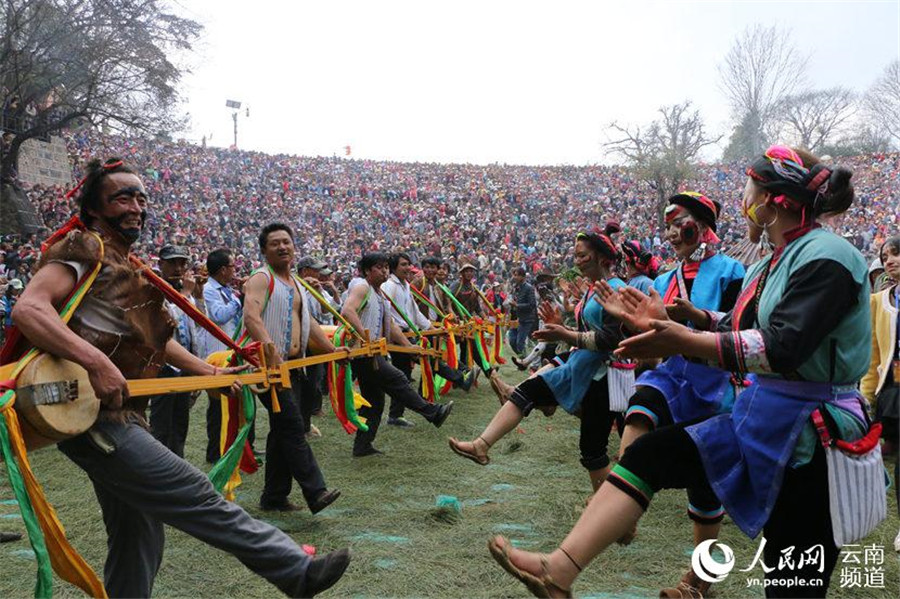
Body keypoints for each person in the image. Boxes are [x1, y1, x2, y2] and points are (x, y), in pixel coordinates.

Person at [488, 146, 874, 598]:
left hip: (812, 437)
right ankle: (559, 571)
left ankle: (696, 580)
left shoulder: (827, 255)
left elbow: (782, 347)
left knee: (792, 583)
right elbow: (740, 325)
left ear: (771, 200)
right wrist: (678, 322)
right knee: (647, 454)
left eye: (748, 190)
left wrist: (681, 337)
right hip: (761, 415)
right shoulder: (771, 263)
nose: (743, 201)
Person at [11, 159, 350, 598]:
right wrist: (96, 362)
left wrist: (210, 372)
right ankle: (294, 571)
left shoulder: (126, 265)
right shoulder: (83, 248)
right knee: (195, 492)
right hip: (95, 417)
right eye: (121, 197)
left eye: (140, 197)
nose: (135, 206)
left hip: (126, 413)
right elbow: (30, 308)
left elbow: (156, 344)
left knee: (138, 535)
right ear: (94, 208)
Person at [594, 192, 746, 587]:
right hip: (671, 374)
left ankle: (699, 581)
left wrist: (697, 318)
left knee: (705, 485)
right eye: (667, 227)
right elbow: (648, 332)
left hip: (714, 382)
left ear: (700, 224)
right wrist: (628, 320)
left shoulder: (733, 272)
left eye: (677, 224)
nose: (671, 235)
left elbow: (738, 330)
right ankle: (623, 507)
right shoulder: (663, 279)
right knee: (641, 404)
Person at [449, 229, 627, 492]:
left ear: (602, 257)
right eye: (575, 256)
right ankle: (481, 445)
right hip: (580, 368)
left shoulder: (616, 290)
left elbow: (611, 340)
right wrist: (560, 326)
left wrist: (566, 333)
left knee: (593, 449)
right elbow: (587, 332)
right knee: (526, 392)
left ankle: (613, 512)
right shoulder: (593, 290)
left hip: (604, 378)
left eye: (583, 256)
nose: (577, 261)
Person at [242, 224, 342, 513]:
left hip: (295, 369)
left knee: (281, 431)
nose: (283, 247)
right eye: (275, 243)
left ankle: (273, 497)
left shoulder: (297, 283)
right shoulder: (261, 278)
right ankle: (316, 491)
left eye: (287, 242)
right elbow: (252, 317)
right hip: (270, 370)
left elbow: (309, 329)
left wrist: (334, 353)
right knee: (293, 426)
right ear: (264, 250)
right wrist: (271, 353)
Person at [341, 252, 454, 457]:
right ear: (367, 271)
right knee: (397, 378)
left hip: (374, 353)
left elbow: (391, 325)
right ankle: (432, 413)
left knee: (374, 403)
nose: (384, 271)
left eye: (386, 267)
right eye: (379, 267)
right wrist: (366, 338)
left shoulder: (380, 294)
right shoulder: (362, 286)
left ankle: (362, 446)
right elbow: (347, 311)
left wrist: (408, 347)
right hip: (363, 354)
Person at [382, 252, 474, 427]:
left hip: (409, 332)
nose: (408, 268)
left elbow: (414, 312)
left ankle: (397, 415)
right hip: (398, 336)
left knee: (404, 376)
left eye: (408, 264)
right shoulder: (390, 286)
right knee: (422, 364)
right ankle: (459, 381)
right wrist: (401, 338)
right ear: (394, 267)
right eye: (403, 265)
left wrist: (431, 328)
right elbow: (388, 315)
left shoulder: (405, 286)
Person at [861, 235, 899, 552]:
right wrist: (868, 392)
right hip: (894, 387)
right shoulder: (880, 301)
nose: (890, 260)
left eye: (896, 253)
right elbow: (874, 354)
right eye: (885, 256)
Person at [148, 244, 203, 458]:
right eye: (172, 263)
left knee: (180, 424)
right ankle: (159, 472)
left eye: (182, 263)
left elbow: (198, 324)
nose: (178, 268)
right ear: (160, 264)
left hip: (184, 366)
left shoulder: (181, 290)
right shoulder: (153, 288)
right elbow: (168, 324)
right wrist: (187, 295)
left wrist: (197, 296)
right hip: (164, 366)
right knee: (161, 426)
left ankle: (178, 466)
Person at [203, 247, 243, 463]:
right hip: (218, 354)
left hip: (232, 351)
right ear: (221, 270)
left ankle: (241, 447)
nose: (234, 270)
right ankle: (214, 451)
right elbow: (219, 316)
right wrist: (238, 299)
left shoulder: (225, 289)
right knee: (218, 405)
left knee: (238, 402)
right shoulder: (209, 289)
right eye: (231, 266)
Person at [506, 267, 538, 357]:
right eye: (514, 275)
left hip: (526, 319)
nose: (514, 277)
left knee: (520, 343)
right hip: (515, 318)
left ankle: (523, 362)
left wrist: (517, 305)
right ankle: (523, 359)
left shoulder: (529, 288)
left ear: (523, 276)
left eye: (516, 275)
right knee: (512, 341)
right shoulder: (515, 287)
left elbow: (532, 305)